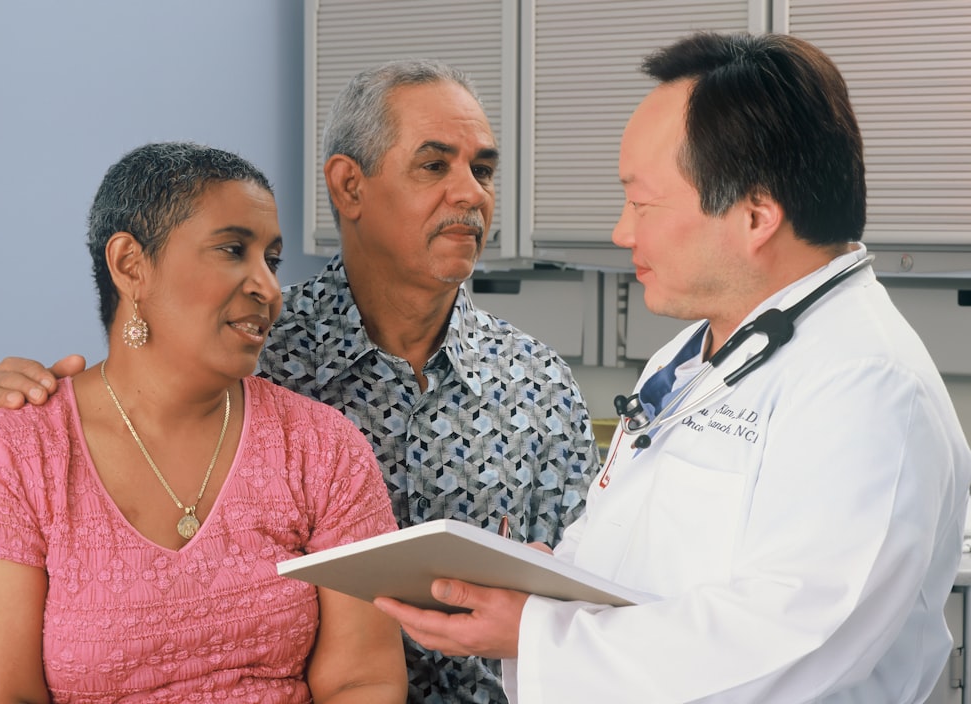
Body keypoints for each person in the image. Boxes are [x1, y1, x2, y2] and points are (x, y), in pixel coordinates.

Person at [0, 60, 600, 703]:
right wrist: (6, 426)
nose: (472, 193)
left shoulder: (538, 385)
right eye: (435, 165)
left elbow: (593, 597)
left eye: (484, 171)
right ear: (348, 187)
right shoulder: (248, 348)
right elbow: (135, 386)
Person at [372, 32, 971, 703]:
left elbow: (793, 647)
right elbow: (639, 548)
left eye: (644, 203)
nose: (622, 232)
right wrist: (547, 580)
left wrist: (537, 632)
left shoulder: (868, 386)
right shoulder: (690, 355)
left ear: (756, 214)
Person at [0, 142, 407, 703]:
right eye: (232, 250)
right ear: (131, 265)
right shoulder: (16, 452)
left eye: (271, 261)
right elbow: (3, 692)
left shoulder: (323, 448)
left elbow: (363, 679)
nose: (269, 289)